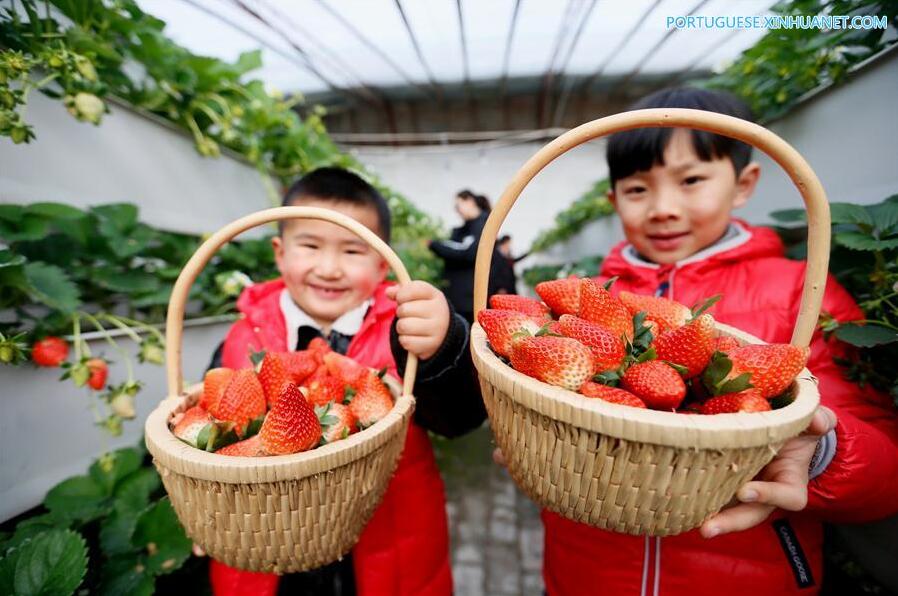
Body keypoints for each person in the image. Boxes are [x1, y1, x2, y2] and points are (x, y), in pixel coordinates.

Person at [526, 87, 898, 595]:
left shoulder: (801, 292)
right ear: (614, 200)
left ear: (744, 184)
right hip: (587, 567)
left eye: (692, 180)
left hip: (748, 571)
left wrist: (820, 451)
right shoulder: (588, 302)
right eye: (638, 189)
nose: (662, 208)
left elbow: (886, 472)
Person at [206, 167, 486, 596]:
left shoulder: (405, 329)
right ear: (280, 253)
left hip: (389, 540)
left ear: (381, 260)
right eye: (310, 245)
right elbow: (215, 439)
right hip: (267, 545)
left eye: (352, 251)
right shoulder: (245, 335)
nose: (329, 268)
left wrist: (444, 345)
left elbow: (458, 419)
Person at [429, 190, 509, 322]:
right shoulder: (465, 229)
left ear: (470, 201)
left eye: (458, 205)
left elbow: (469, 253)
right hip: (461, 298)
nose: (457, 211)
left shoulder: (483, 225)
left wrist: (436, 246)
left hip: (469, 300)